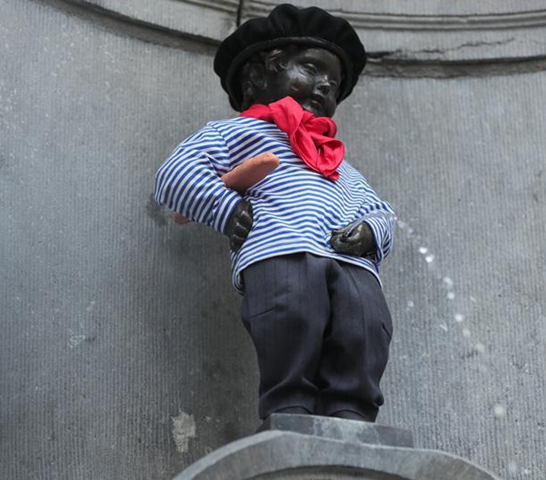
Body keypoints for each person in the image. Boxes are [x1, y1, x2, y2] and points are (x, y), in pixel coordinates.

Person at [154, 4, 396, 423]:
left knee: (365, 331)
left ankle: (352, 417)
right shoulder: (238, 133)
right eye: (311, 69)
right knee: (290, 321)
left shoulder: (338, 162)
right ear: (262, 74)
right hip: (280, 252)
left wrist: (372, 232)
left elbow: (380, 210)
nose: (324, 86)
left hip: (353, 267)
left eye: (333, 83)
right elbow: (174, 175)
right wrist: (226, 210)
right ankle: (289, 409)